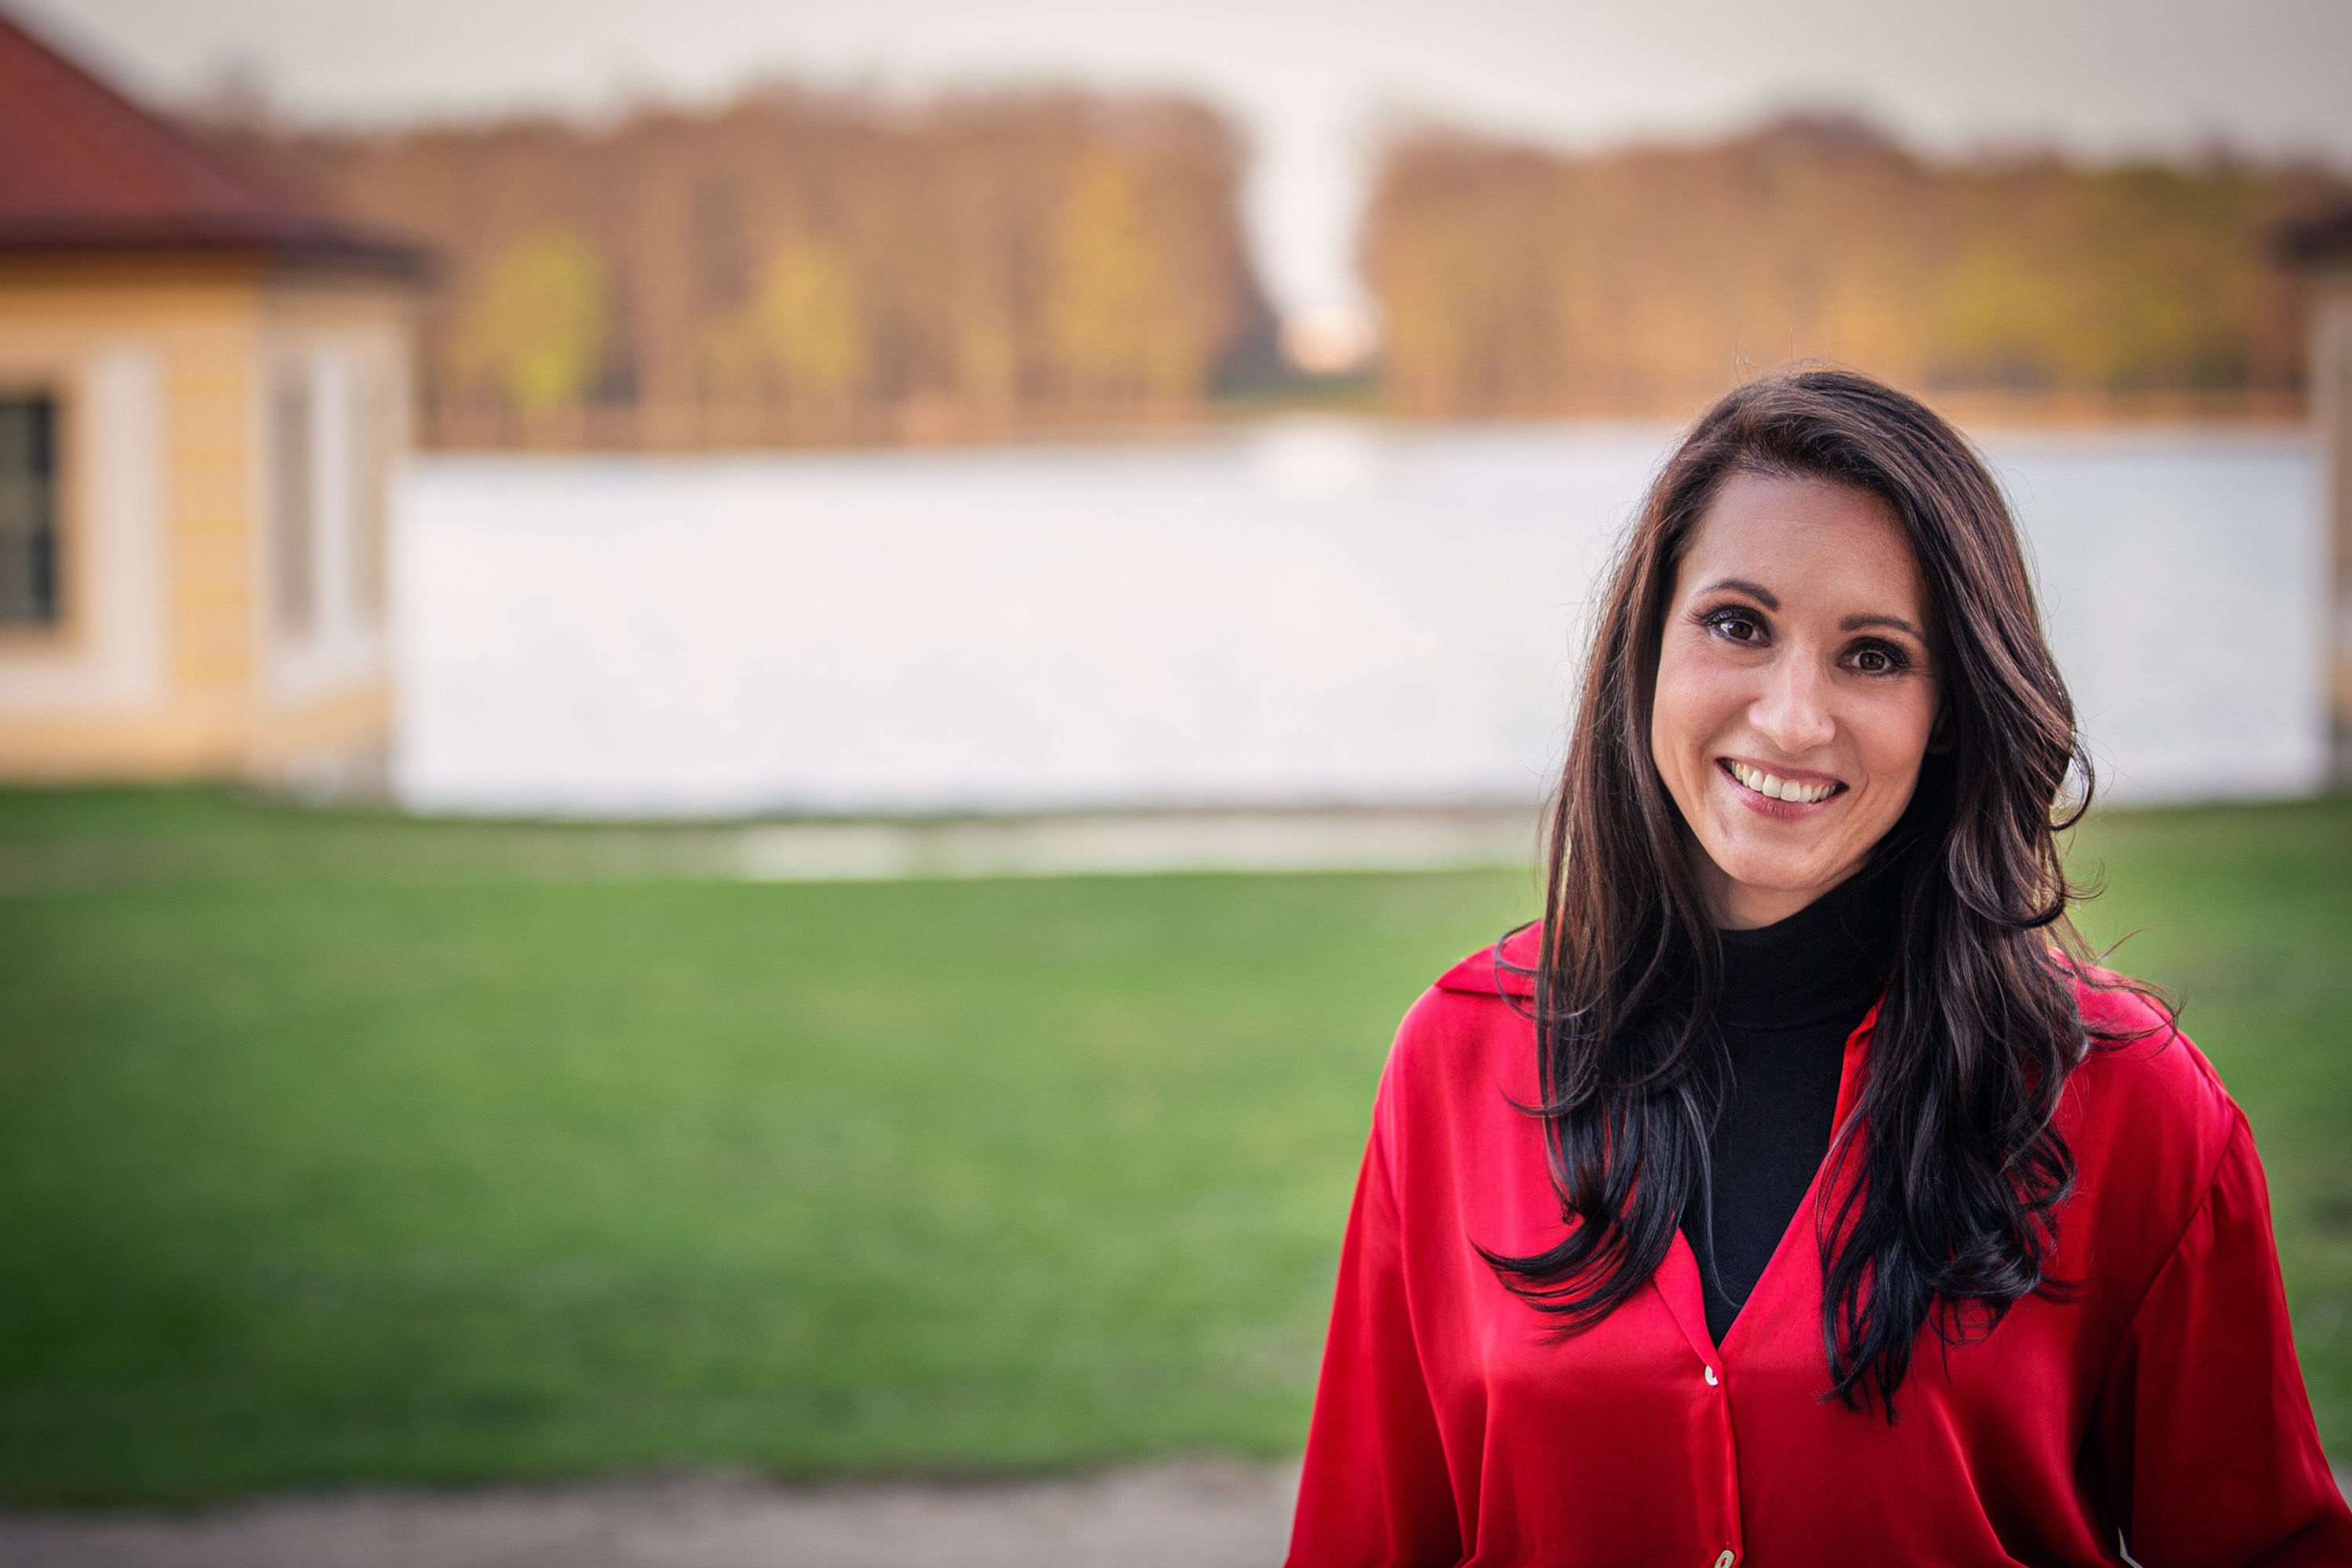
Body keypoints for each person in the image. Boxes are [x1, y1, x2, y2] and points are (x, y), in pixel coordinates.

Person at [1285, 368, 2352, 1566]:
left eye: (1875, 655)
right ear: (1648, 648)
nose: (1793, 718)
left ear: (1950, 708)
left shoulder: (2133, 1104)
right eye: (1739, 625)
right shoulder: (1458, 1058)